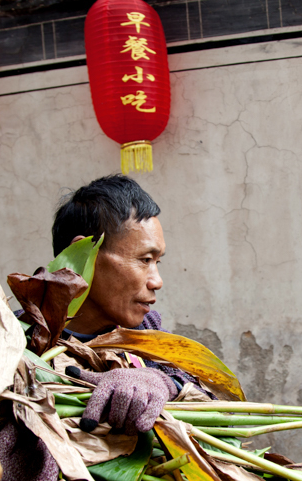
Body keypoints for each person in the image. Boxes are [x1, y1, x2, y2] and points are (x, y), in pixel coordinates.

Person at [52, 174, 208, 435]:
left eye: (157, 262)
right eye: (145, 259)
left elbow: (217, 405)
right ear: (85, 255)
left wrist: (162, 383)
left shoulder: (148, 338)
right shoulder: (16, 343)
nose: (157, 281)